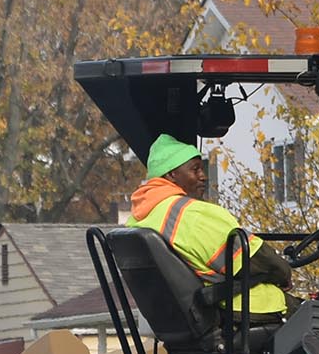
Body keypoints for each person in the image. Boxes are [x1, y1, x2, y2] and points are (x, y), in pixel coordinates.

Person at [126, 134, 296, 319]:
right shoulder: (191, 213)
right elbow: (256, 260)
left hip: (182, 317)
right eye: (195, 169)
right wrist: (283, 273)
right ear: (172, 174)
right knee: (318, 316)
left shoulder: (139, 218)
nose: (203, 176)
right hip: (236, 308)